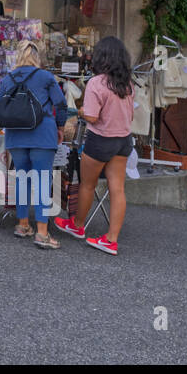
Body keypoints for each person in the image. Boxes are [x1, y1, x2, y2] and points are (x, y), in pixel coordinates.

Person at [55, 36, 136, 255]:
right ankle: (111, 239)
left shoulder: (97, 82)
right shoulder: (128, 83)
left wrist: (80, 112)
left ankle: (78, 226)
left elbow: (90, 117)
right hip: (123, 140)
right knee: (117, 189)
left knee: (87, 185)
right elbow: (131, 113)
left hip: (100, 140)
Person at [0, 40, 68, 249]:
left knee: (22, 178)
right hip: (42, 134)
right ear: (37, 57)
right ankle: (42, 233)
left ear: (18, 56)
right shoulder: (45, 77)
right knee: (43, 181)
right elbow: (61, 104)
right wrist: (60, 127)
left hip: (16, 136)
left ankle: (23, 224)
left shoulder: (8, 78)